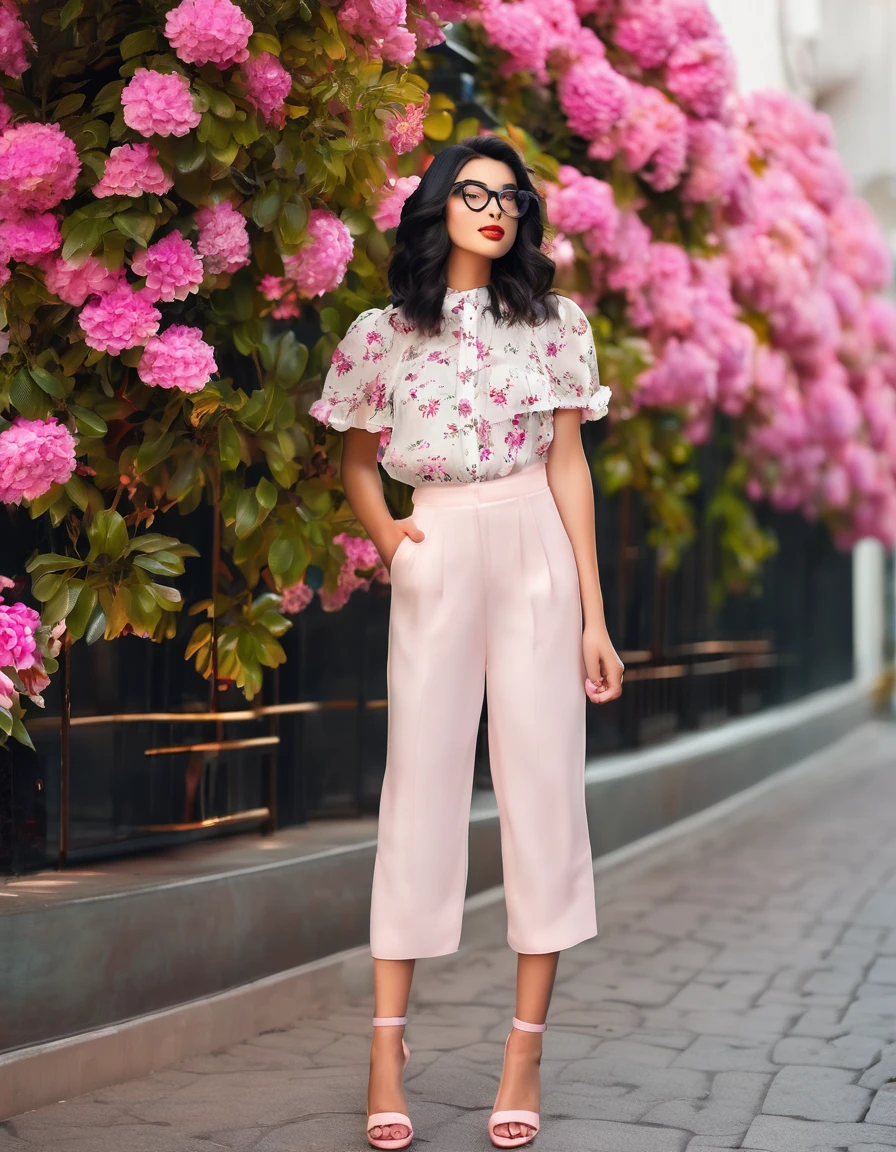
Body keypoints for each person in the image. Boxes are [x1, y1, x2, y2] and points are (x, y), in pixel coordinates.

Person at [309, 134, 625, 1150]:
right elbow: (358, 460)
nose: (494, 210)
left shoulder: (554, 326)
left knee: (542, 786)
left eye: (510, 198)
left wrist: (592, 613)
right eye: (473, 193)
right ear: (438, 205)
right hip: (436, 537)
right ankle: (384, 1052)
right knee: (419, 785)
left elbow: (569, 466)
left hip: (532, 532)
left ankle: (522, 1051)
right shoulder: (381, 332)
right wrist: (391, 538)